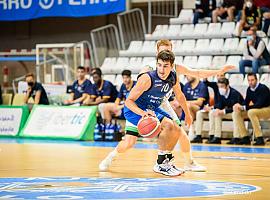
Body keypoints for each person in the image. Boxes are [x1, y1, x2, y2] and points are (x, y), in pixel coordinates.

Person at [99, 50, 193, 176]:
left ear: (172, 66)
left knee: (175, 127)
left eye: (165, 66)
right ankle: (110, 157)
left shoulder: (173, 77)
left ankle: (165, 162)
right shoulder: (147, 78)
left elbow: (180, 96)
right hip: (135, 109)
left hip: (152, 107)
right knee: (129, 143)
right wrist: (142, 113)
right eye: (159, 65)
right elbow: (128, 101)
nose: (162, 69)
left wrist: (187, 114)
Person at [193, 78, 244, 144]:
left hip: (239, 112)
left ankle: (236, 137)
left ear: (227, 86)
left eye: (222, 86)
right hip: (228, 111)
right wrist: (212, 108)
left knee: (234, 113)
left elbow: (235, 107)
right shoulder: (221, 93)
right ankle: (216, 137)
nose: (220, 89)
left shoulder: (234, 93)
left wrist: (222, 111)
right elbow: (220, 105)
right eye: (219, 87)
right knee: (216, 113)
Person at [231, 73, 270, 145]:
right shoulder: (249, 89)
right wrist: (239, 106)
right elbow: (246, 102)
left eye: (252, 80)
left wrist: (244, 107)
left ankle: (259, 138)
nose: (250, 82)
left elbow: (259, 104)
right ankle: (245, 137)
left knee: (251, 112)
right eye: (249, 80)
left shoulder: (262, 88)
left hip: (267, 109)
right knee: (236, 113)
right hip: (258, 109)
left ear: (256, 80)